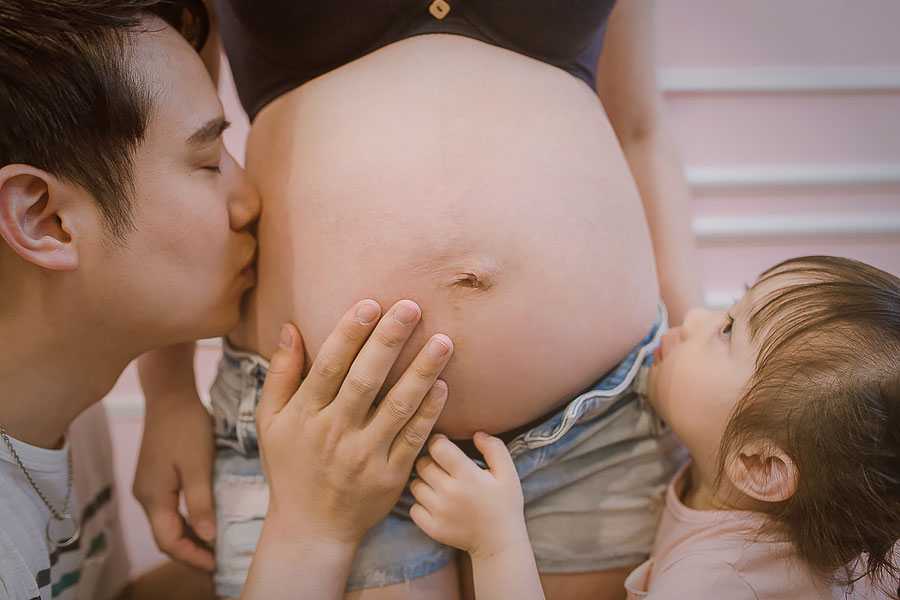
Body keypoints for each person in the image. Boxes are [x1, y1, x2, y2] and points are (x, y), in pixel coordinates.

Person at [136, 1, 699, 598]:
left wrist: (703, 382)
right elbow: (156, 145)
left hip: (598, 421)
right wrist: (167, 391)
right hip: (317, 428)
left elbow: (639, 130)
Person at [0, 2, 453, 598]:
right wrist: (309, 530)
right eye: (209, 163)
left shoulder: (66, 419)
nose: (249, 201)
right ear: (47, 219)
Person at [406, 256, 900, 600]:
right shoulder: (771, 493)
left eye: (727, 331)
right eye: (729, 305)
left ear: (759, 464)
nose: (695, 316)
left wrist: (496, 543)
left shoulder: (712, 587)